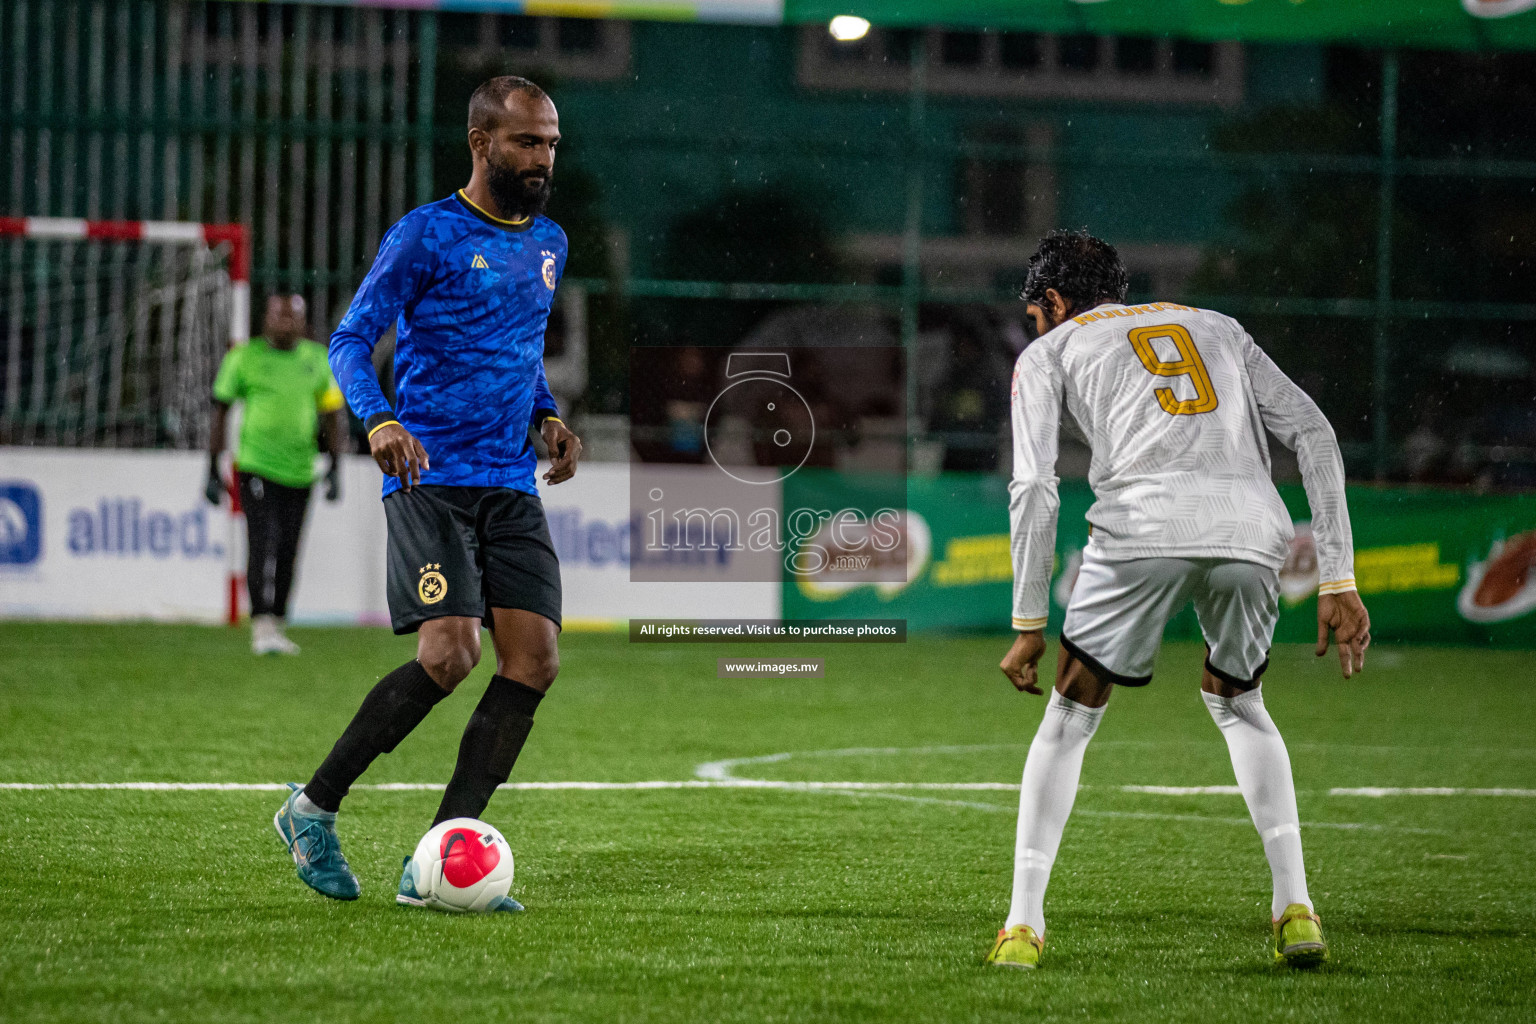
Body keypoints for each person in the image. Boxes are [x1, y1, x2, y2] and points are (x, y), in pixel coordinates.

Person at [986, 230, 1371, 970]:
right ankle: (1296, 909)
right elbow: (1316, 435)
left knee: (1069, 713)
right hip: (1253, 533)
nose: (1034, 327)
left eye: (1036, 314)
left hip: (1140, 528)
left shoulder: (1050, 352)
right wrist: (1338, 577)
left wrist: (1029, 622)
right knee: (1239, 703)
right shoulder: (1216, 325)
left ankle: (1023, 927)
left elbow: (1035, 485)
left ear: (1055, 301)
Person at [271, 76, 583, 911]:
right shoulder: (426, 234)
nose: (543, 158)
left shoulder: (550, 241)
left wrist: (547, 418)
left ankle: (436, 862)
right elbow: (349, 337)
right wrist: (375, 421)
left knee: (536, 660)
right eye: (527, 142)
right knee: (450, 654)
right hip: (428, 477)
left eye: (550, 142)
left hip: (509, 485)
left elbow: (519, 353)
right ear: (481, 143)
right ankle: (312, 809)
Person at [207, 294, 345, 655]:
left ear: (303, 321)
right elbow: (221, 410)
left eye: (293, 316)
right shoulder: (244, 357)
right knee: (261, 543)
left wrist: (336, 467)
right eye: (279, 315)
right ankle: (262, 624)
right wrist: (211, 467)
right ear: (265, 319)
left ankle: (279, 623)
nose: (285, 322)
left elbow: (332, 415)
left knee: (288, 549)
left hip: (301, 470)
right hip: (256, 466)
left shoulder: (317, 359)